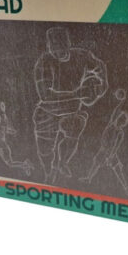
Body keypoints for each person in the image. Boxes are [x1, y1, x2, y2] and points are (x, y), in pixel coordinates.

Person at [33, 27, 108, 184]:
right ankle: (48, 172)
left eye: (60, 45)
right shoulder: (43, 62)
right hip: (48, 112)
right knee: (45, 150)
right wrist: (77, 93)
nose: (56, 50)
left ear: (68, 43)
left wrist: (102, 85)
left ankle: (62, 162)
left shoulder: (82, 56)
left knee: (74, 131)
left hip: (72, 111)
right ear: (48, 45)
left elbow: (100, 66)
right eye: (52, 46)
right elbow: (45, 95)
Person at [80, 91, 128, 195]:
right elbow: (116, 111)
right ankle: (88, 178)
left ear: (123, 123)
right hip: (104, 150)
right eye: (119, 118)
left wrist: (110, 155)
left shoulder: (119, 132)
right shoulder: (111, 124)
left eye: (122, 119)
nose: (118, 119)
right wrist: (122, 101)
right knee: (97, 163)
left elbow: (116, 146)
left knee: (116, 169)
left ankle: (126, 188)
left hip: (109, 152)